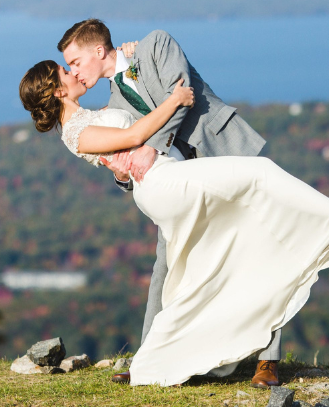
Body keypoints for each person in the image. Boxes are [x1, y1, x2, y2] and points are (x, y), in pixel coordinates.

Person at [18, 57, 329, 387]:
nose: (72, 72)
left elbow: (123, 136)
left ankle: (164, 360)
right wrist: (176, 99)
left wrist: (129, 63)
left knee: (221, 249)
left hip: (165, 180)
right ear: (55, 91)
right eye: (64, 72)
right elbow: (134, 134)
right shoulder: (75, 131)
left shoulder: (85, 117)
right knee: (260, 173)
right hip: (163, 183)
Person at [59, 19, 280, 387]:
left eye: (76, 62)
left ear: (99, 51)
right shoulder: (112, 105)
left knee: (256, 252)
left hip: (221, 154)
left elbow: (181, 97)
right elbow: (127, 151)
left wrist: (149, 148)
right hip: (177, 186)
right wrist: (122, 172)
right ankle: (150, 358)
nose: (75, 72)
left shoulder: (154, 44)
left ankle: (268, 361)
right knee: (164, 268)